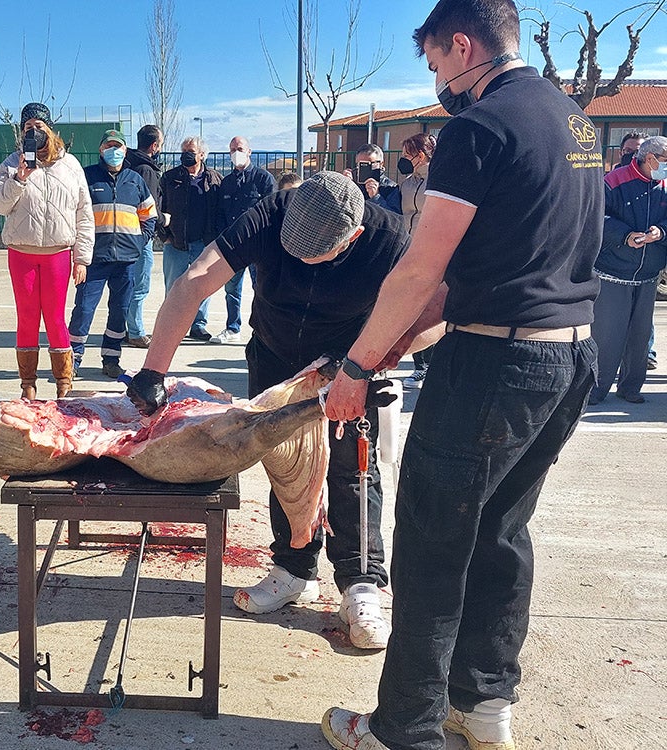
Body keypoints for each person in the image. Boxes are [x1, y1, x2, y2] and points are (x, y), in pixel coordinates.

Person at [319, 1, 603, 748]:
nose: (441, 81)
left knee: (433, 540)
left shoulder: (477, 129)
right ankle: (483, 705)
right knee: (503, 532)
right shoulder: (570, 120)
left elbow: (421, 267)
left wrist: (354, 367)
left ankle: (403, 727)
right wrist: (387, 345)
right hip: (568, 354)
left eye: (439, 64)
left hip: (494, 364)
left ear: (462, 43)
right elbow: (490, 262)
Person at [128, 171, 409, 650]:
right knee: (284, 463)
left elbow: (429, 315)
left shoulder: (390, 239)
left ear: (353, 237)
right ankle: (294, 567)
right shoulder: (270, 213)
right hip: (276, 353)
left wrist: (365, 364)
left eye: (311, 256)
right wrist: (154, 371)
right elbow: (194, 280)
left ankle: (361, 583)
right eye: (291, 252)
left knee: (351, 469)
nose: (298, 264)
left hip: (351, 360)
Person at [0, 102, 94, 398]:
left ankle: (63, 382)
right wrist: (19, 178)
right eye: (27, 128)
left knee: (56, 317)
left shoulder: (70, 166)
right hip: (21, 253)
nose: (33, 131)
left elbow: (84, 214)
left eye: (38, 126)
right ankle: (28, 384)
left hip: (58, 254)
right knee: (27, 316)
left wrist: (82, 258)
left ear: (50, 129)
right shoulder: (11, 164)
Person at [68, 131, 157, 381]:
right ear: (100, 149)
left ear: (125, 151)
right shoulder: (87, 177)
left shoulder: (135, 180)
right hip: (94, 260)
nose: (114, 150)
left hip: (127, 261)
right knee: (84, 310)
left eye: (118, 146)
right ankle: (72, 359)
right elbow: (74, 213)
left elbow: (149, 213)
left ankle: (111, 359)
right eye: (109, 145)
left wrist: (141, 240)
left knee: (119, 311)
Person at [588, 135, 667, 406]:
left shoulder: (665, 185)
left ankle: (631, 387)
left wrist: (661, 231)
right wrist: (625, 235)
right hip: (613, 272)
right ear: (650, 158)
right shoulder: (613, 180)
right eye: (665, 160)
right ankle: (596, 389)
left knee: (640, 337)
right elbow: (596, 216)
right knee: (608, 336)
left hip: (648, 275)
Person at [386, 132, 438, 391]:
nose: (403, 159)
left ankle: (431, 365)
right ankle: (420, 366)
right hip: (408, 249)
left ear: (420, 155)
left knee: (431, 309)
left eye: (408, 154)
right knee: (410, 309)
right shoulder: (407, 183)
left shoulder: (440, 179)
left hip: (433, 250)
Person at [212, 136, 276, 344]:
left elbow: (273, 211)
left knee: (262, 288)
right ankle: (232, 328)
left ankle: (263, 331)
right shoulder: (227, 183)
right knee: (231, 289)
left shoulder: (263, 179)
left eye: (239, 148)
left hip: (259, 246)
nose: (235, 153)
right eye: (232, 149)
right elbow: (220, 214)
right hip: (234, 247)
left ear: (249, 151)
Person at [158, 135, 223, 341]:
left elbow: (221, 210)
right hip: (176, 242)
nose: (186, 155)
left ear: (202, 155)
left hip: (203, 243)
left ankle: (198, 325)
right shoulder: (169, 178)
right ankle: (172, 323)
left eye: (191, 152)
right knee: (173, 286)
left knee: (202, 285)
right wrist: (164, 236)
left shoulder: (215, 179)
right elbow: (159, 208)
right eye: (183, 151)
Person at [123, 124, 164, 349]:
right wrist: (160, 223)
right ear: (154, 145)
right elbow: (148, 207)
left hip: (126, 234)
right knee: (139, 286)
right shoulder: (147, 170)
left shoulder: (128, 164)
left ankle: (123, 328)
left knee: (127, 284)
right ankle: (136, 332)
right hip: (140, 237)